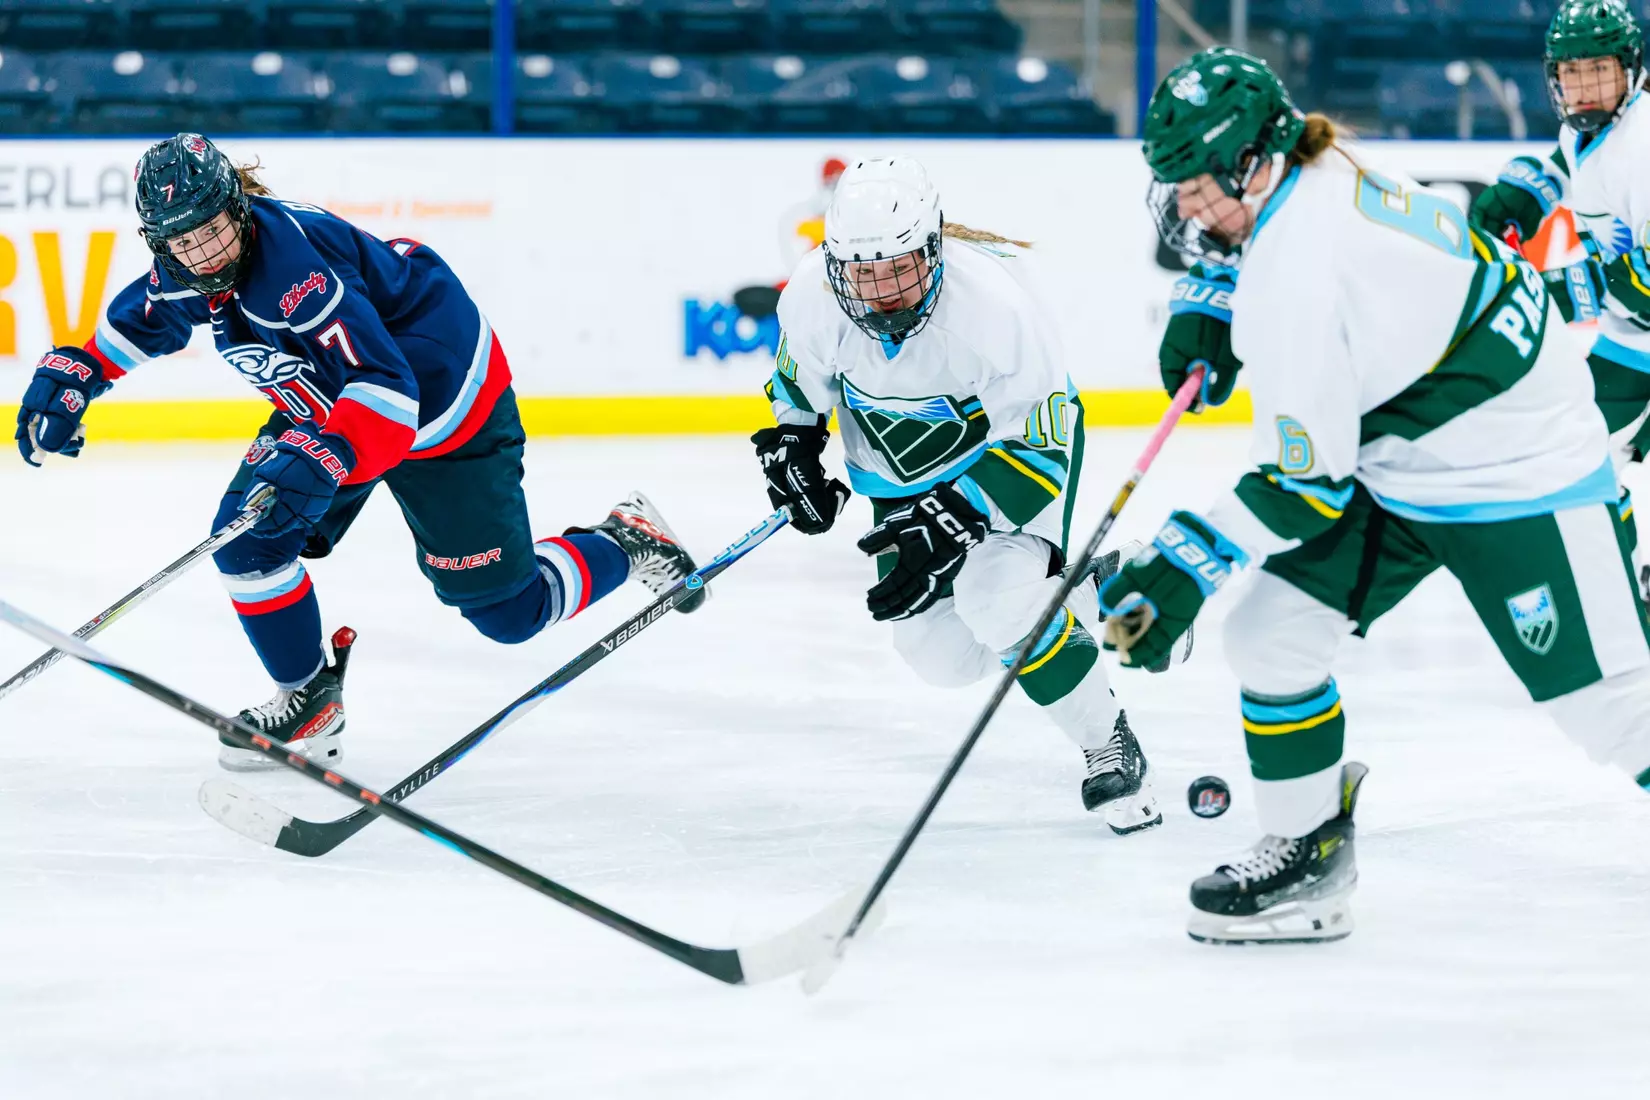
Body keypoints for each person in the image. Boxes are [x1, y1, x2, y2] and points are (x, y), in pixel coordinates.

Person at [1102, 47, 1650, 943]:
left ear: (1254, 160)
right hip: (1410, 453)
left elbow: (1302, 486)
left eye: (1202, 186)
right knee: (1270, 638)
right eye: (1178, 188)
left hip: (1519, 469)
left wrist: (1181, 565)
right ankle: (1307, 851)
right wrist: (1212, 290)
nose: (1190, 209)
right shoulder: (1317, 163)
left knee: (1616, 712)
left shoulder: (1300, 277)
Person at [13, 133, 705, 771]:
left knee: (510, 614)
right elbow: (154, 311)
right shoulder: (193, 259)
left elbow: (388, 387)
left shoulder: (293, 275)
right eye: (182, 241)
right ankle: (308, 701)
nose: (204, 254)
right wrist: (83, 372)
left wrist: (328, 456)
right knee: (247, 542)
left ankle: (624, 539)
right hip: (331, 399)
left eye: (213, 230)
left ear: (239, 207)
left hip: (442, 405)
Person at [750, 155, 1163, 834]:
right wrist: (793, 448)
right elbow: (798, 388)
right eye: (861, 271)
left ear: (933, 248)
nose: (880, 292)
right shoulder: (810, 298)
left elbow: (1040, 443)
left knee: (995, 601)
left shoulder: (996, 310)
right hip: (896, 479)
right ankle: (1110, 591)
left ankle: (1105, 743)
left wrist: (961, 514)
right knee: (943, 659)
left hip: (1007, 463)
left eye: (898, 269)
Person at [1469, 0, 1650, 600]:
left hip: (1639, 331)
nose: (1583, 87)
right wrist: (1521, 194)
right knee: (1579, 458)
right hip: (1633, 348)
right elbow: (1564, 163)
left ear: (1630, 68)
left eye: (1598, 69)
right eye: (1569, 73)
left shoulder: (1645, 145)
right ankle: (1621, 593)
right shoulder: (1593, 127)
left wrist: (1561, 288)